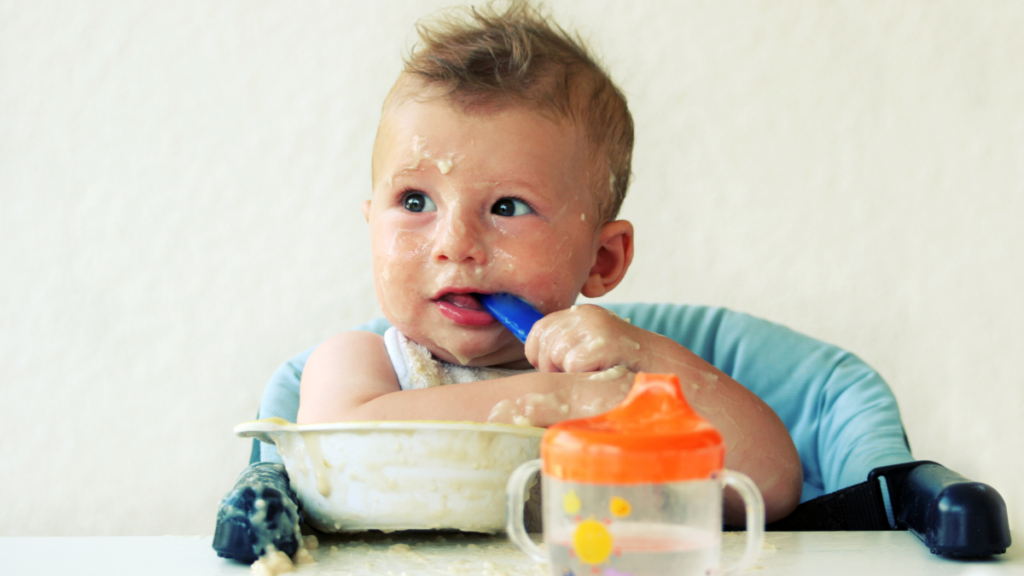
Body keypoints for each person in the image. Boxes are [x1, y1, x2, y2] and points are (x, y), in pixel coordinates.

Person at [293, 0, 811, 525]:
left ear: (602, 260)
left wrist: (645, 366)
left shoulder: (616, 383)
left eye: (507, 207)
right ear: (370, 226)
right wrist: (563, 399)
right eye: (414, 202)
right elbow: (340, 445)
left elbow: (770, 486)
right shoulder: (367, 367)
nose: (455, 243)